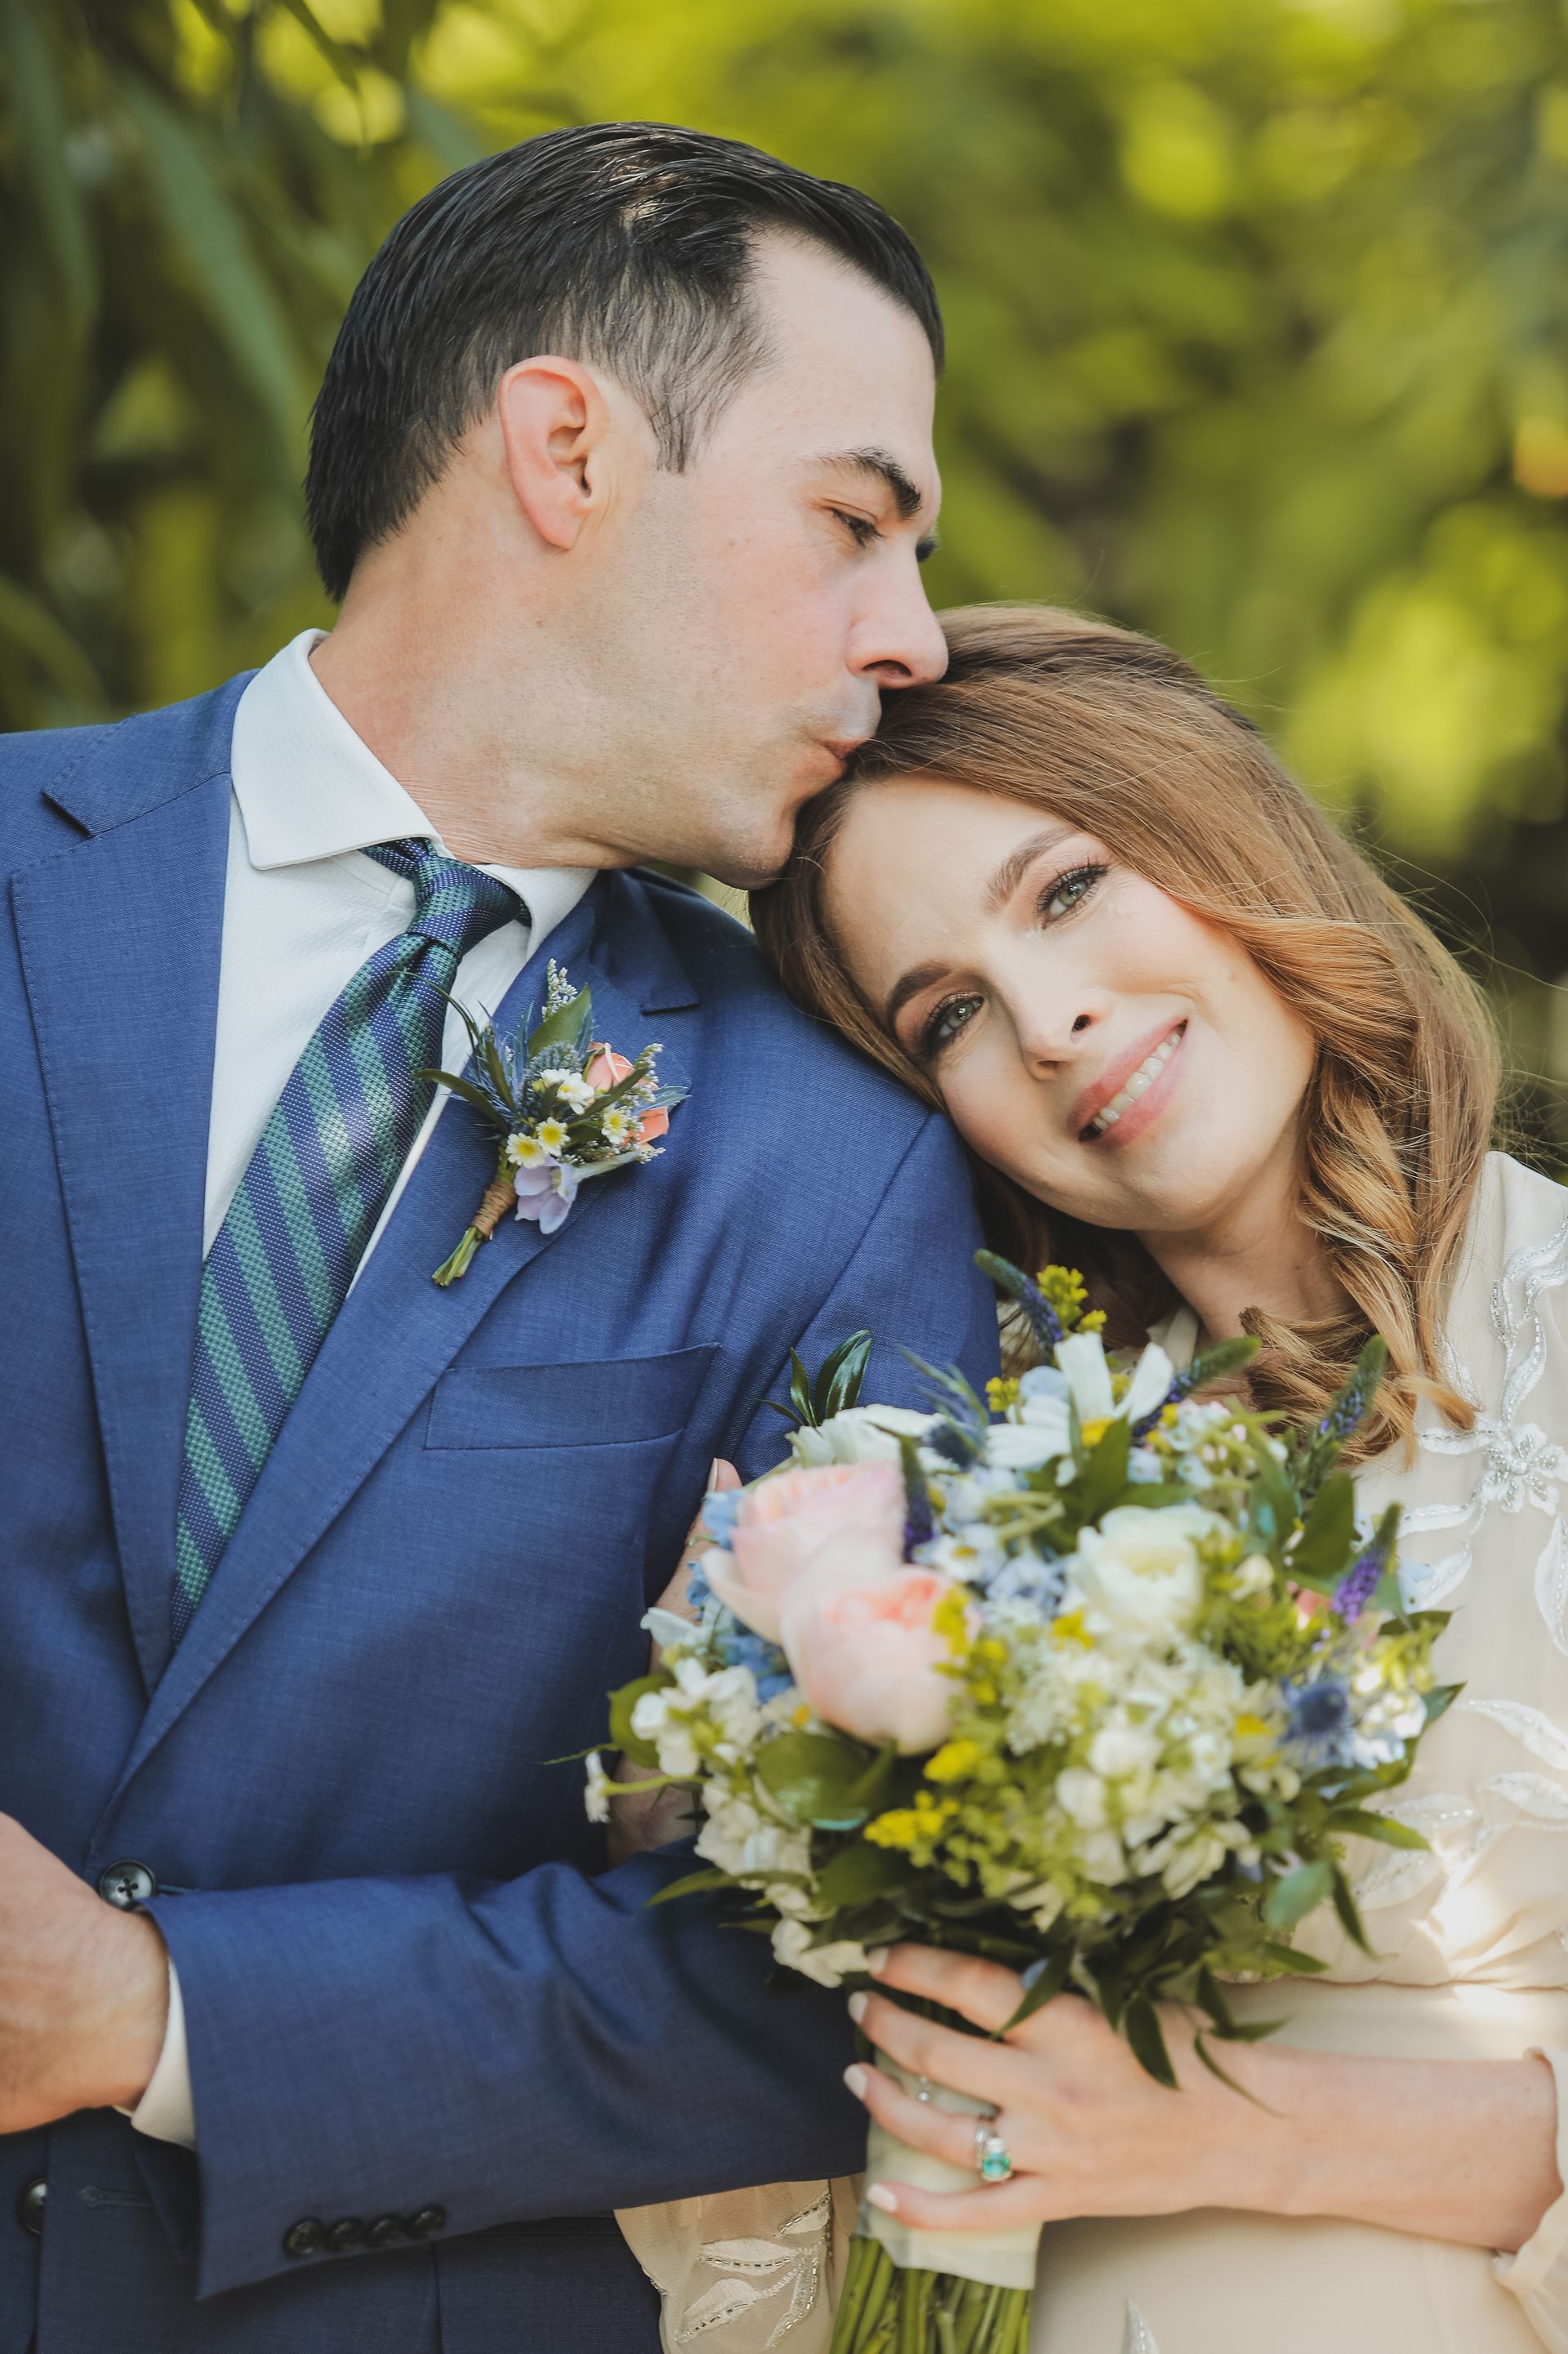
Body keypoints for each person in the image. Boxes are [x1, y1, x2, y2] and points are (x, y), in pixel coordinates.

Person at [0, 126, 1000, 2354]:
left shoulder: (842, 1166)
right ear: (564, 447)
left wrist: (160, 2016)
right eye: (856, 520)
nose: (912, 636)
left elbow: (826, 1973)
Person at [741, 602, 1568, 2352]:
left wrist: (1210, 2123)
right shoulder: (971, 1507)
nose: (1048, 1019)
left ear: (1215, 828)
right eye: (948, 1011)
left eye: (1064, 889)